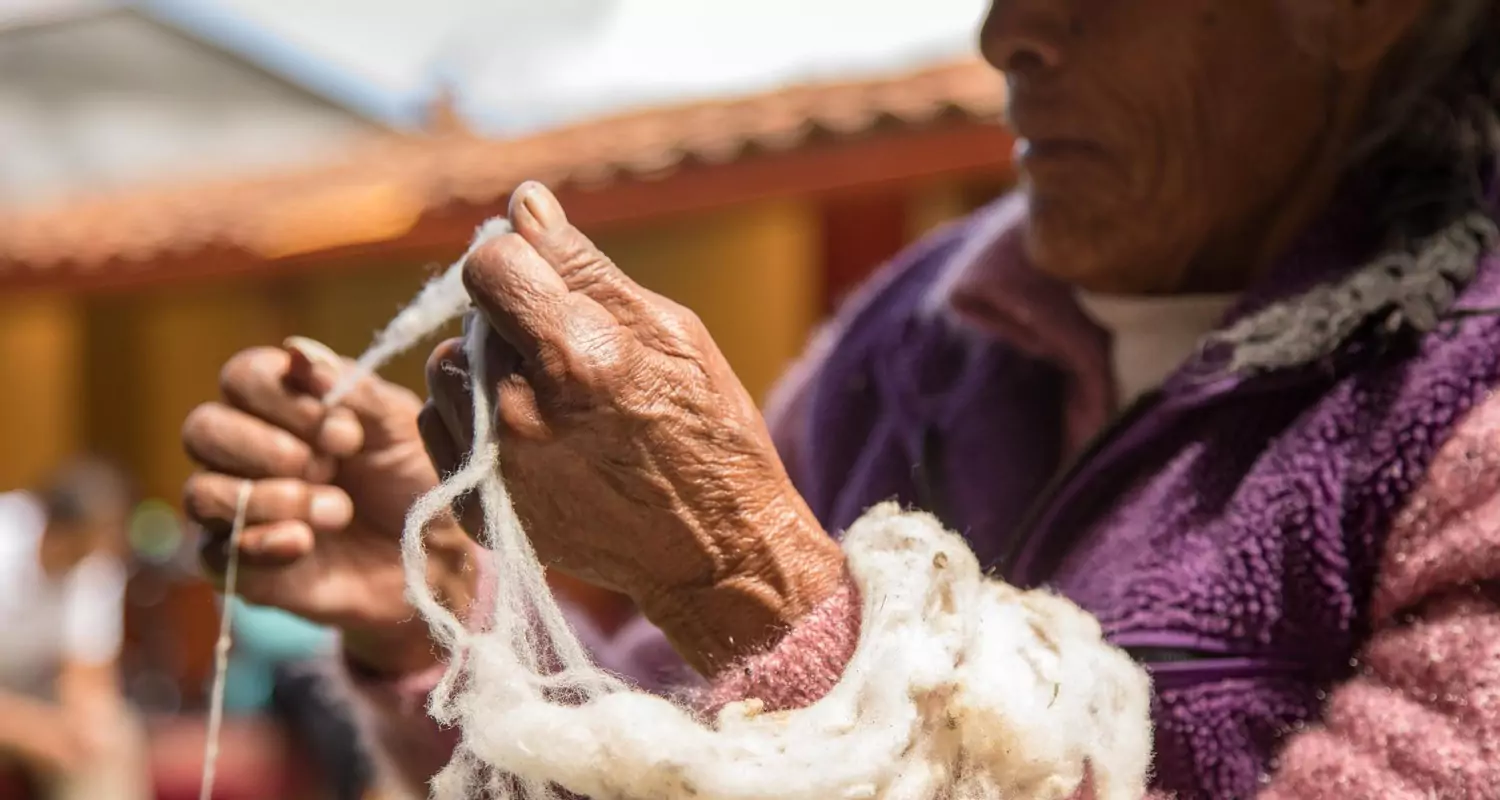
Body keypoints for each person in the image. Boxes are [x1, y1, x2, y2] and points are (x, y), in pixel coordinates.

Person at [182, 0, 1500, 797]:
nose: (1008, 34)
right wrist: (448, 622)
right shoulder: (918, 331)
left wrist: (758, 589)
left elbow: (750, 637)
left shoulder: (1468, 406)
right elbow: (663, 738)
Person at [0, 458, 151, 800]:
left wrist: (83, 729)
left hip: (36, 697)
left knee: (113, 735)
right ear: (54, 525)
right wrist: (32, 732)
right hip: (18, 709)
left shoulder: (99, 564)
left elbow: (88, 679)